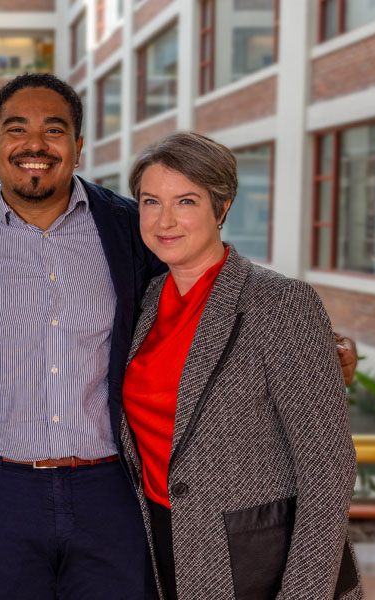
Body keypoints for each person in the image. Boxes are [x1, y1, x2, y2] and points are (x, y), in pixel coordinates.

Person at [0, 73, 359, 599]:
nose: (35, 144)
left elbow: (217, 289)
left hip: (113, 495)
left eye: (54, 130)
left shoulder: (127, 227)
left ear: (78, 146)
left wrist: (322, 347)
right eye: (17, 129)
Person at [120, 132, 361, 599]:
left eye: (186, 201)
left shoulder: (279, 302)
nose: (164, 220)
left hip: (260, 561)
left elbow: (328, 467)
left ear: (222, 207)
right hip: (163, 545)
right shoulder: (145, 302)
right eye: (151, 202)